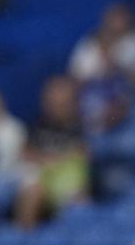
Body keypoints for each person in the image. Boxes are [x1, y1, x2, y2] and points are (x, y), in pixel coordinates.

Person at [15, 75, 89, 230]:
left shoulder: (80, 126)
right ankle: (24, 241)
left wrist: (58, 161)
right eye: (51, 103)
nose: (55, 107)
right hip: (44, 176)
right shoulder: (38, 125)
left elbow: (84, 155)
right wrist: (45, 160)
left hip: (69, 178)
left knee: (77, 197)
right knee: (31, 188)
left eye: (61, 104)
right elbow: (24, 152)